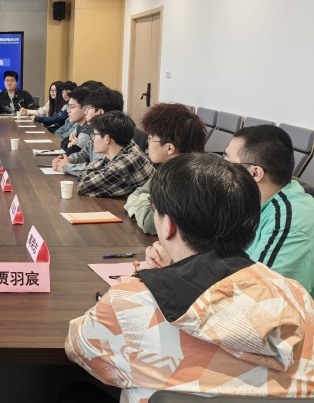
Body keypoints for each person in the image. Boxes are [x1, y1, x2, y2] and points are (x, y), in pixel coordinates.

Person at [66, 154, 314, 402]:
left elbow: (79, 347)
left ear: (168, 225)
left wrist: (150, 279)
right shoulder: (297, 296)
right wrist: (179, 269)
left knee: (75, 392)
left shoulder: (131, 302)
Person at [224, 125, 314, 295]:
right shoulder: (252, 200)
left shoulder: (291, 220)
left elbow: (259, 296)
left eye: (228, 163)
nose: (222, 170)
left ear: (255, 173)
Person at [124, 103, 206, 234]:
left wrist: (145, 200)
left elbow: (149, 222)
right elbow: (137, 192)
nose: (147, 144)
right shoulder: (167, 170)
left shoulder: (186, 180)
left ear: (169, 148)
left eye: (150, 139)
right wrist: (147, 201)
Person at [75, 111, 154, 197]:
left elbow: (83, 186)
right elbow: (87, 173)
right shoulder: (127, 148)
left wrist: (90, 174)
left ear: (107, 139)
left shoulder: (124, 163)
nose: (92, 139)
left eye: (94, 135)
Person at [52, 88, 123, 175]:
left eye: (88, 109)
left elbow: (99, 170)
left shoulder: (110, 137)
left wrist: (66, 166)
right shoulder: (96, 132)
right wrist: (65, 160)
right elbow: (83, 154)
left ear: (100, 112)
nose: (85, 112)